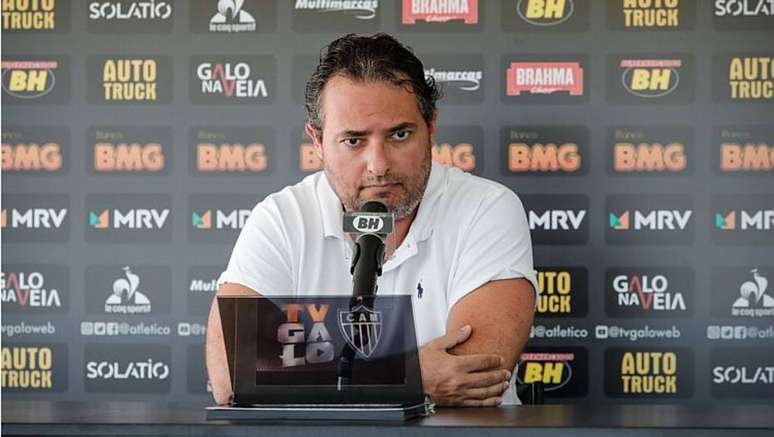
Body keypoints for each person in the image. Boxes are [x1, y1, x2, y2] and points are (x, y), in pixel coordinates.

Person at [206, 33, 536, 407]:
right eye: (353, 141)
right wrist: (413, 376)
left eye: (399, 134)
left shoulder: (486, 208)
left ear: (431, 128)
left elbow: (475, 373)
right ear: (317, 141)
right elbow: (233, 376)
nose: (379, 165)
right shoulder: (282, 218)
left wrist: (313, 380)